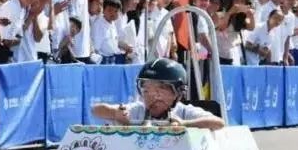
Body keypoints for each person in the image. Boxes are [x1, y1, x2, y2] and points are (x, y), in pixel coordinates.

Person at [92, 58, 224, 129]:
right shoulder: (138, 110)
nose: (152, 98)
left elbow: (218, 123)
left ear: (177, 94)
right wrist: (116, 114)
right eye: (146, 91)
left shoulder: (184, 112)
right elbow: (96, 110)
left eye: (159, 92)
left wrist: (184, 124)